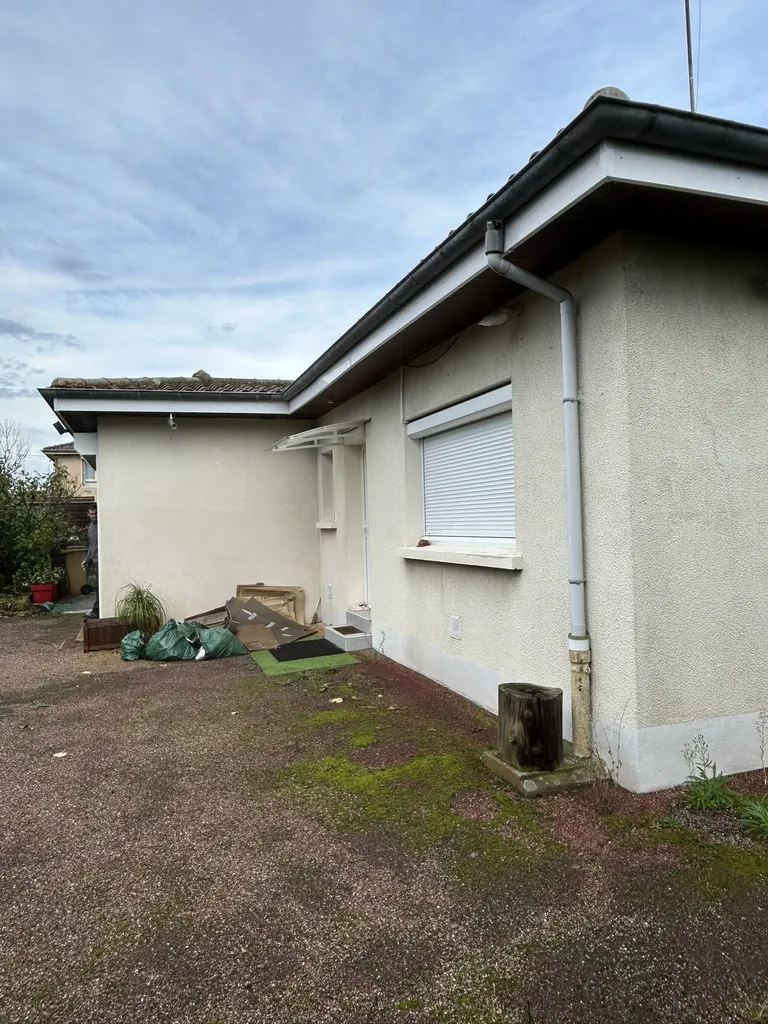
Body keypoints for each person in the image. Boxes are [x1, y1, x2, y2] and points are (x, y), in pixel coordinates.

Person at [82, 504, 99, 619]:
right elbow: (91, 546)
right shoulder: (91, 527)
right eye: (92, 514)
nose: (94, 516)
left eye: (96, 513)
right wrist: (86, 560)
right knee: (97, 586)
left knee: (99, 587)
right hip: (94, 560)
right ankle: (97, 610)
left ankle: (97, 611)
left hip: (101, 560)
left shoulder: (100, 525)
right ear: (88, 514)